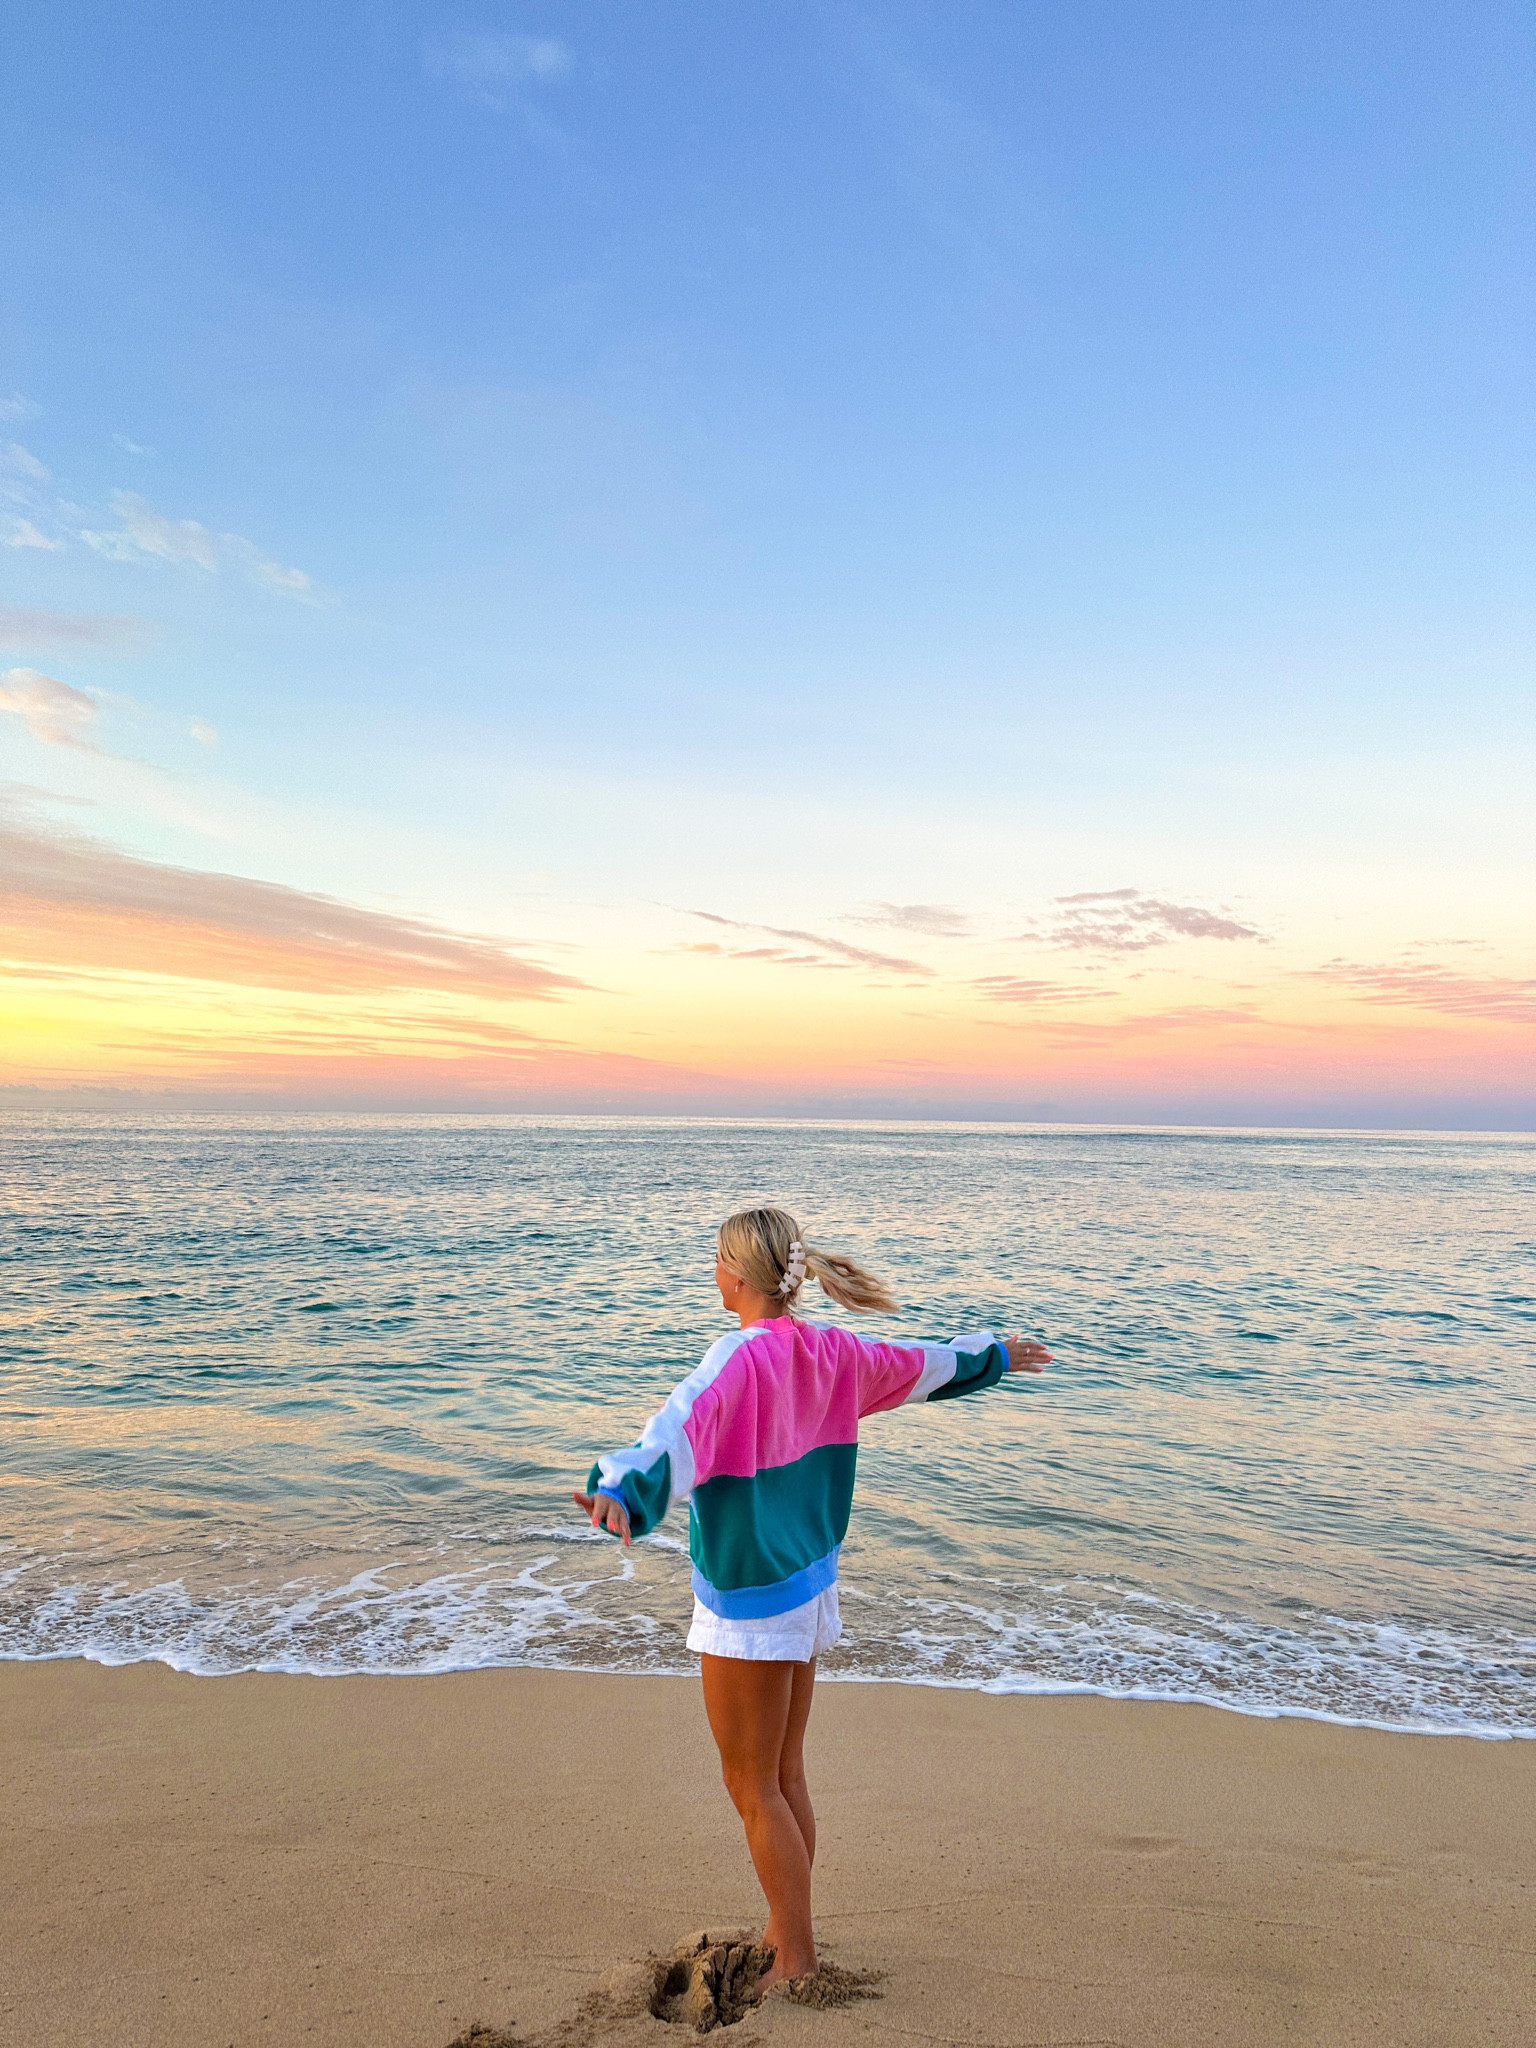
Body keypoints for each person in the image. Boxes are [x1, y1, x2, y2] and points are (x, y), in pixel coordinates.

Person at [572, 1204, 1050, 1989]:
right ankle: (784, 1928)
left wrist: (617, 1492)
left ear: (734, 1278)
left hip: (750, 1604)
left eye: (716, 1263)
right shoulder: (834, 1352)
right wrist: (995, 1353)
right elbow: (926, 1364)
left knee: (750, 1784)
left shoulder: (736, 1360)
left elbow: (671, 1435)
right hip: (809, 1588)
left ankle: (796, 1958)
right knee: (785, 1773)